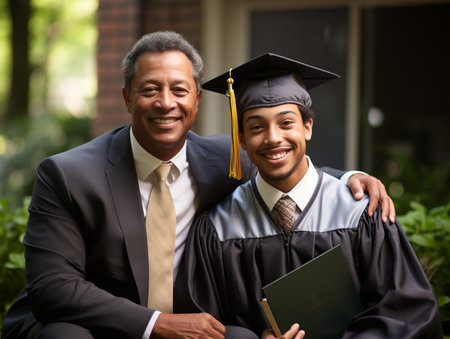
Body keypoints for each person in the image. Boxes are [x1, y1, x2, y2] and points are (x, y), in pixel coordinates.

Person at [2, 32, 395, 339]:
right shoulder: (67, 174)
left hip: (191, 325)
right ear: (126, 98)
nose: (165, 103)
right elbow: (53, 288)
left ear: (196, 100)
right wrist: (158, 323)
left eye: (179, 89)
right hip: (92, 325)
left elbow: (279, 160)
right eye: (150, 89)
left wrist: (346, 179)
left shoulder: (224, 159)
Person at [175, 53, 443, 338]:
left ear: (308, 127)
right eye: (256, 127)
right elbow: (201, 324)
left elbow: (407, 314)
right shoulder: (218, 227)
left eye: (286, 123)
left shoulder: (361, 212)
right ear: (240, 138)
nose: (273, 138)